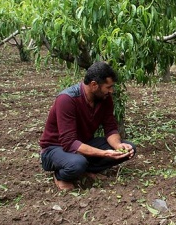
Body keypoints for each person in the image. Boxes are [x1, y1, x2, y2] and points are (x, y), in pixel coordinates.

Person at [39, 61, 136, 190]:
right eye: (108, 87)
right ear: (94, 85)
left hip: (83, 143)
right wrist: (104, 153)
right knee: (77, 163)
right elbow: (69, 143)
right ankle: (61, 175)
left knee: (129, 150)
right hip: (55, 148)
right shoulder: (67, 100)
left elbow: (110, 128)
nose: (111, 91)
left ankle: (85, 170)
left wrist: (118, 146)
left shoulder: (104, 99)